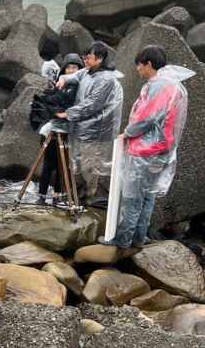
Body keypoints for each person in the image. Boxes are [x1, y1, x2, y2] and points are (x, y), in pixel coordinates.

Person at [99, 46, 191, 249]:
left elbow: (147, 116)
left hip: (145, 149)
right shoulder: (175, 85)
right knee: (148, 195)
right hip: (162, 149)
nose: (138, 70)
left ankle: (123, 241)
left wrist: (128, 132)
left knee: (132, 197)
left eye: (139, 66)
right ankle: (139, 238)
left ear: (149, 64)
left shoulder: (159, 85)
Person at [55, 41, 124, 206]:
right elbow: (75, 76)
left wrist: (68, 113)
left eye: (89, 57)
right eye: (85, 56)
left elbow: (92, 104)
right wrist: (64, 79)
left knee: (91, 165)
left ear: (99, 59)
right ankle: (78, 197)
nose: (85, 59)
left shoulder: (106, 79)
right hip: (83, 127)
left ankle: (90, 199)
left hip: (97, 129)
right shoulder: (87, 72)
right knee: (80, 162)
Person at [31, 53, 85, 206]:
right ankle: (41, 195)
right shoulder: (57, 85)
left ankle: (57, 195)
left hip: (69, 131)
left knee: (63, 165)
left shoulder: (81, 88)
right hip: (52, 131)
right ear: (63, 70)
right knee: (48, 164)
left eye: (75, 68)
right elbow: (49, 105)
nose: (71, 71)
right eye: (68, 68)